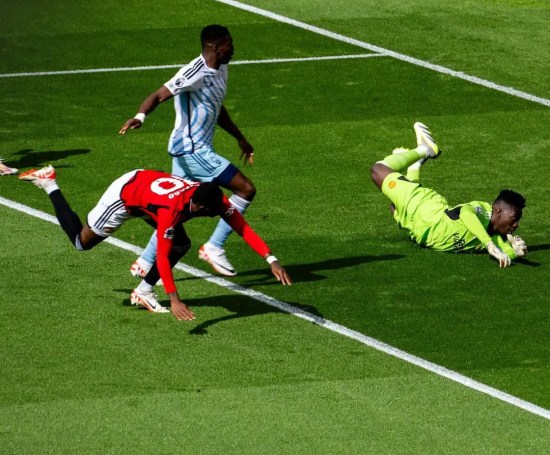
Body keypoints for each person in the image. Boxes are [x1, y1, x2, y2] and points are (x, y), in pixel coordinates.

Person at [19, 165, 292, 320]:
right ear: (199, 208)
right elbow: (161, 256)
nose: (207, 214)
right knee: (81, 242)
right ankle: (49, 183)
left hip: (149, 191)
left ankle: (144, 291)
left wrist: (271, 258)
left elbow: (241, 226)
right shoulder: (172, 212)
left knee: (181, 244)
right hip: (126, 195)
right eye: (204, 211)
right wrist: (175, 299)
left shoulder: (213, 198)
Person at [119, 24, 255, 279]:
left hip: (191, 151)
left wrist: (240, 138)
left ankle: (145, 261)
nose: (233, 49)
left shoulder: (222, 69)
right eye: (229, 44)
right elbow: (159, 95)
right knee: (245, 189)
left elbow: (216, 109)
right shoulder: (195, 71)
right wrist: (140, 117)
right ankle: (214, 246)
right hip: (192, 150)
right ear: (215, 46)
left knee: (179, 209)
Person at [370, 122, 527, 267]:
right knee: (378, 170)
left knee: (394, 206)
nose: (516, 225)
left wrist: (517, 251)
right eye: (514, 219)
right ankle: (425, 149)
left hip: (415, 227)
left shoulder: (494, 236)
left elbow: (505, 252)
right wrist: (489, 245)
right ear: (498, 211)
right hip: (424, 208)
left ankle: (413, 165)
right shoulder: (483, 212)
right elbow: (466, 213)